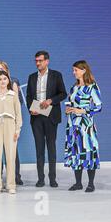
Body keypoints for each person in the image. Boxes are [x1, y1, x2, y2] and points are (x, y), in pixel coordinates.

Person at [26, 50, 67, 188]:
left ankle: (53, 178)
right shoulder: (31, 77)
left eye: (40, 60)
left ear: (47, 61)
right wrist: (31, 108)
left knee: (51, 147)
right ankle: (40, 179)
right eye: (36, 61)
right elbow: (28, 97)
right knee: (39, 148)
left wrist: (50, 100)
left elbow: (63, 94)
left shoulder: (56, 75)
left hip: (51, 116)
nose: (38, 63)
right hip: (36, 117)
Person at [64, 60, 102, 193]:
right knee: (76, 151)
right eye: (73, 70)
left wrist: (83, 111)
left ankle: (91, 184)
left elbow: (99, 107)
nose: (73, 72)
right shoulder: (73, 88)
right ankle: (78, 183)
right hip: (73, 125)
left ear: (84, 70)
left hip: (86, 126)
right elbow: (70, 103)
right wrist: (69, 109)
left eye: (76, 70)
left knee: (88, 151)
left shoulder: (92, 87)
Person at [0, 61, 23, 186]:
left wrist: (17, 130)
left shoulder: (13, 94)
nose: (2, 81)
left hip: (10, 125)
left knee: (11, 156)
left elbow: (18, 113)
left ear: (8, 80)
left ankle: (11, 184)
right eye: (0, 79)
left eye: (4, 78)